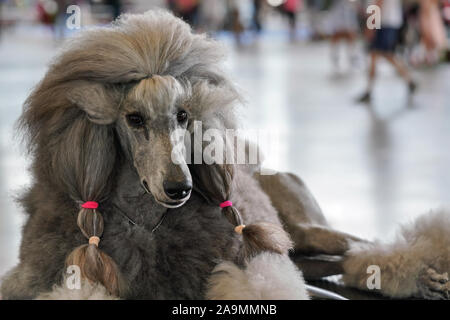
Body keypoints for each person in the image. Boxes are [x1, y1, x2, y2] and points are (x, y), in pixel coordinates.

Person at [358, 0, 417, 103]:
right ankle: (369, 90)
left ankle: (409, 80)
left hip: (384, 23)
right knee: (377, 55)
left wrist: (371, 24)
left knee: (384, 55)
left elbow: (378, 3)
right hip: (386, 23)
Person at [328, 0, 360, 72]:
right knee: (337, 34)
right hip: (339, 11)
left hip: (347, 11)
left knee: (350, 35)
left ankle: (352, 57)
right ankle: (335, 57)